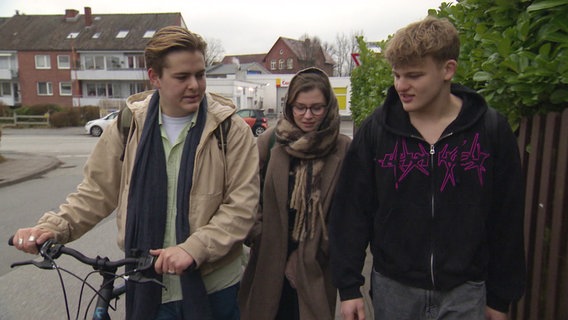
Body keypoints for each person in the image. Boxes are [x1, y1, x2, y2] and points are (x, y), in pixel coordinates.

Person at [12, 26, 259, 320]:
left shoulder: (229, 129)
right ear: (154, 77)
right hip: (147, 285)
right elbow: (96, 192)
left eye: (200, 74)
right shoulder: (128, 125)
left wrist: (193, 249)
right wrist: (53, 227)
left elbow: (242, 206)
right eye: (182, 77)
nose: (195, 85)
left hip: (214, 286)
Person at [329, 17, 526, 320]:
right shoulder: (377, 131)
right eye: (396, 75)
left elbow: (507, 217)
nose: (401, 86)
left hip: (465, 291)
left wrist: (500, 297)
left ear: (448, 69)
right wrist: (349, 286)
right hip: (394, 290)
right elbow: (351, 210)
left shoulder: (490, 130)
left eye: (414, 76)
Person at [239, 67, 351, 320]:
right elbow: (245, 195)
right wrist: (259, 236)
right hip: (269, 260)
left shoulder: (343, 149)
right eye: (300, 107)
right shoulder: (270, 142)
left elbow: (348, 214)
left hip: (316, 264)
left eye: (317, 108)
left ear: (329, 107)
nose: (308, 115)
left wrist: (306, 257)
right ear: (289, 106)